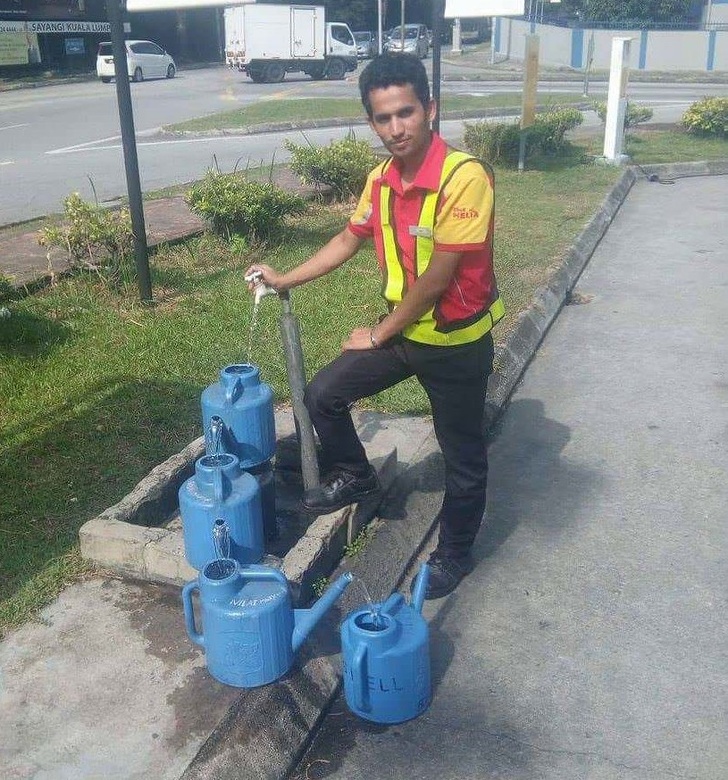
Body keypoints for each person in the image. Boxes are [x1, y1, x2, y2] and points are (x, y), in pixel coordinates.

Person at [245, 52, 504, 599]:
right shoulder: (381, 180)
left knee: (463, 459)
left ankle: (454, 554)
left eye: (406, 112)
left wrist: (379, 333)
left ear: (430, 109)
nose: (396, 128)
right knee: (323, 394)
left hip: (454, 344)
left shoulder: (464, 178)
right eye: (383, 118)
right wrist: (286, 278)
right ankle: (355, 474)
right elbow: (348, 238)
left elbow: (437, 279)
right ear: (371, 122)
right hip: (404, 332)